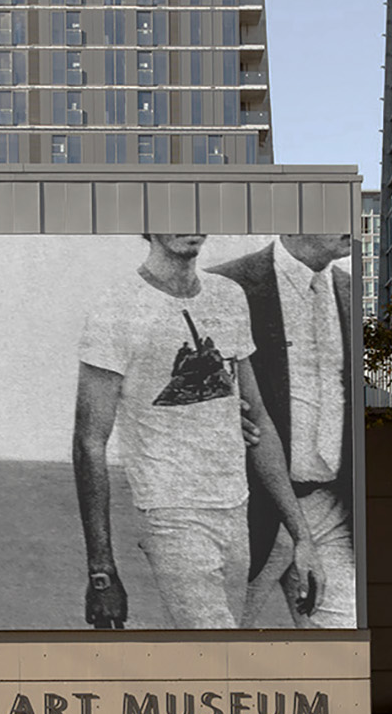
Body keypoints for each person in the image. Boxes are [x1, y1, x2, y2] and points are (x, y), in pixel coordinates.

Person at [72, 233, 319, 630]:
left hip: (235, 509)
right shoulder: (116, 306)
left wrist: (302, 536)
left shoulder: (228, 296)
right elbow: (89, 442)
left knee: (210, 658)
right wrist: (101, 572)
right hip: (171, 512)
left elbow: (258, 420)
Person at [209, 235, 357, 629]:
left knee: (345, 654)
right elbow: (178, 385)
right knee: (210, 653)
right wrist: (213, 414)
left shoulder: (350, 290)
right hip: (250, 510)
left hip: (331, 510)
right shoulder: (226, 286)